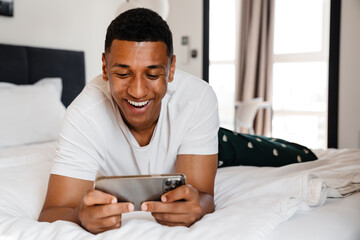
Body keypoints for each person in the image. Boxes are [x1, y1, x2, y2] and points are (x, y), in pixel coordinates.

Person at [38, 8, 219, 234]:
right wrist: (78, 216)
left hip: (222, 141)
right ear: (105, 67)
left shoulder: (197, 99)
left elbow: (204, 196)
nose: (138, 91)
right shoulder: (84, 114)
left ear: (172, 69)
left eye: (152, 75)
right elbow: (51, 213)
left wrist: (198, 206)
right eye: (123, 74)